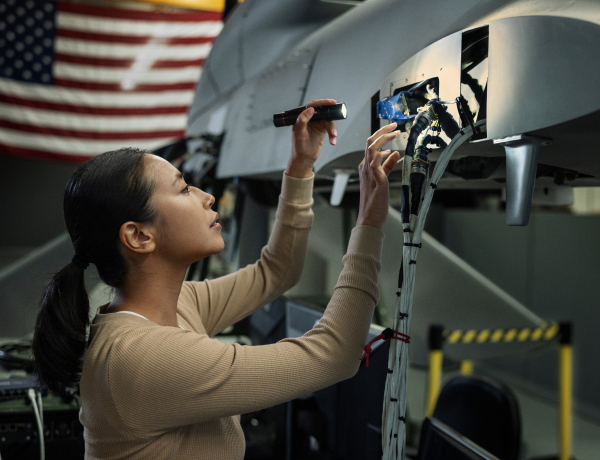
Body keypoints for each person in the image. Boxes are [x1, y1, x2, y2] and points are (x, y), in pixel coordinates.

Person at [32, 99, 401, 459]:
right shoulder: (143, 357)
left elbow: (277, 271)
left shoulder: (175, 305)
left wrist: (301, 166)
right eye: (183, 189)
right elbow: (333, 356)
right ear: (139, 236)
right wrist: (369, 223)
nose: (207, 197)